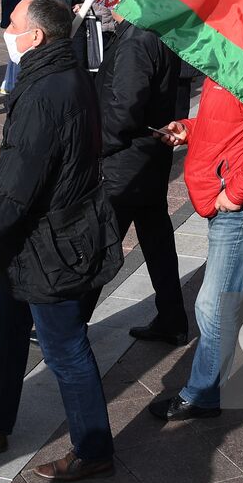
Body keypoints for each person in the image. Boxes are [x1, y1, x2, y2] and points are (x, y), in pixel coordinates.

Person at [0, 0, 122, 482]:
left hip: (50, 244)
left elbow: (11, 197)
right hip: (38, 242)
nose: (7, 28)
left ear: (36, 36)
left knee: (65, 349)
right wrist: (16, 152)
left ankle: (93, 448)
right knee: (8, 323)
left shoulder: (45, 90)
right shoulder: (62, 74)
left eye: (13, 21)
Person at [149, 66, 243, 422]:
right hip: (234, 198)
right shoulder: (229, 66)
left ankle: (203, 394)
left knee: (213, 305)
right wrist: (188, 128)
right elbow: (227, 126)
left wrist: (235, 193)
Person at [96, 17, 188, 344]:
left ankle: (70, 323)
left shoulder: (137, 38)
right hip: (148, 154)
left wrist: (99, 146)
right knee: (157, 240)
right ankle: (172, 317)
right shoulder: (157, 31)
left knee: (101, 240)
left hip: (126, 159)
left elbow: (124, 109)